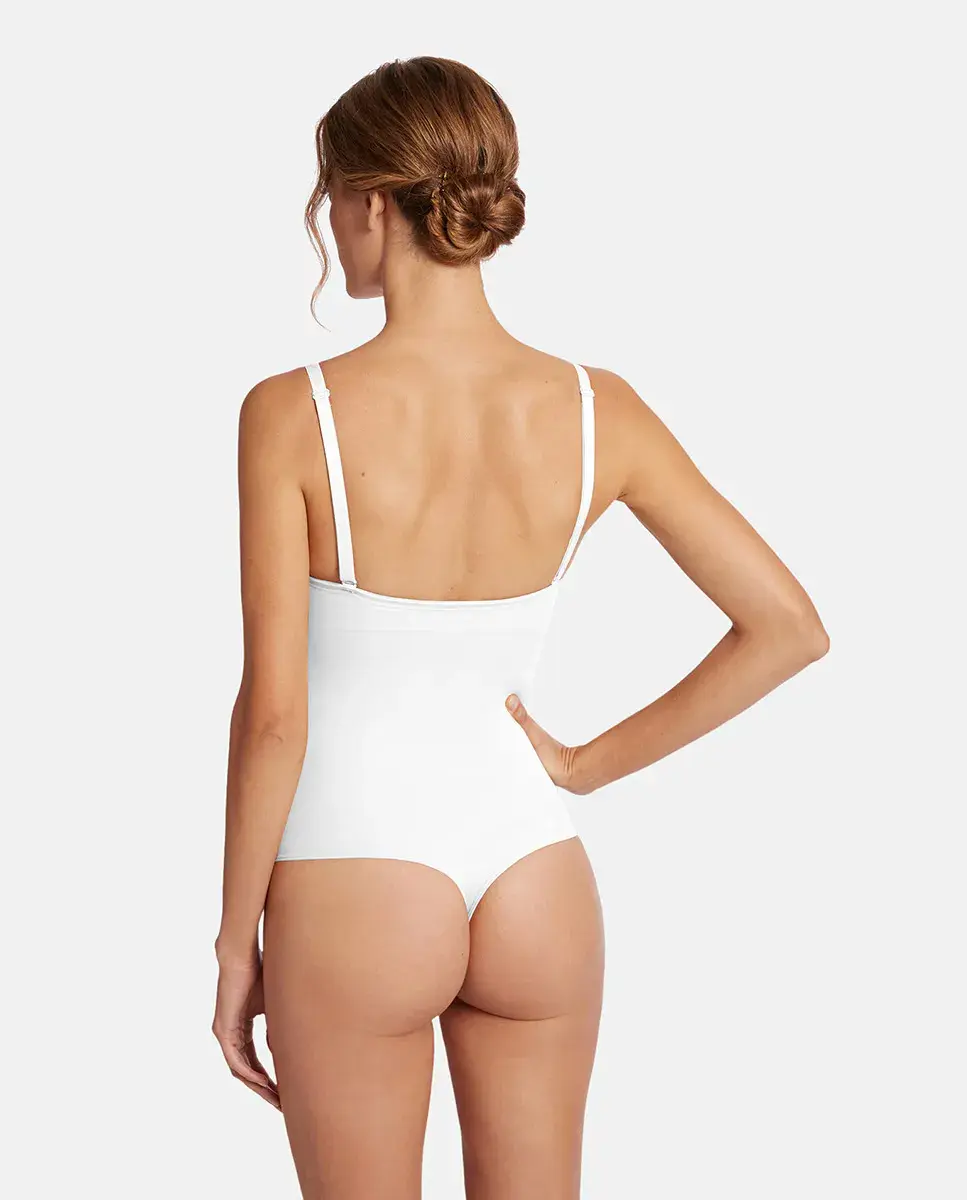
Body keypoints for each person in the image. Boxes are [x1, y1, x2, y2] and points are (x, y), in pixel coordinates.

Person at [212, 55, 829, 1200]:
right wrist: (582, 768)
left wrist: (232, 941)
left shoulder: (292, 413)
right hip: (534, 872)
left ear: (369, 202)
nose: (329, 227)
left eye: (328, 199)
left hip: (354, 881)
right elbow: (787, 626)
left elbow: (276, 719)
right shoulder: (599, 409)